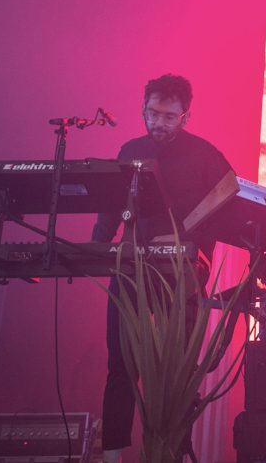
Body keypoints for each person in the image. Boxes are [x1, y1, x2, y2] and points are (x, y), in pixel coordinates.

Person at [92, 74, 233, 463]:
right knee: (121, 364)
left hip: (181, 275)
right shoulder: (130, 150)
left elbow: (231, 205)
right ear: (143, 109)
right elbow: (110, 207)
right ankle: (112, 457)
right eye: (154, 114)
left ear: (186, 117)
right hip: (130, 268)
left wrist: (199, 252)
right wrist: (97, 246)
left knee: (177, 370)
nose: (160, 123)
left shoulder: (205, 155)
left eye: (170, 117)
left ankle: (170, 452)